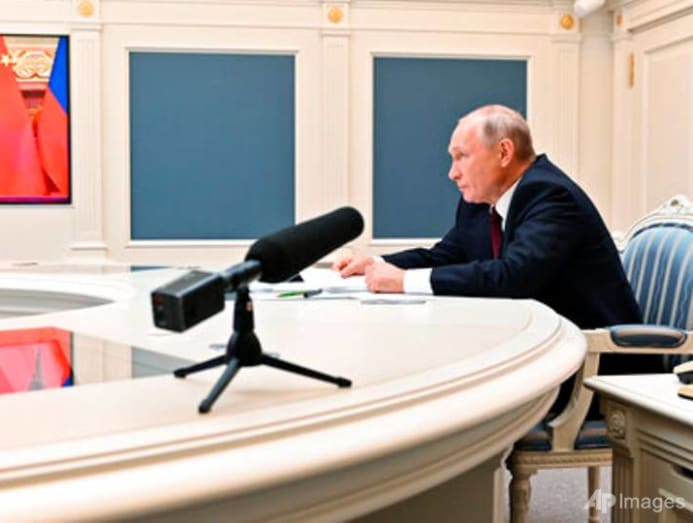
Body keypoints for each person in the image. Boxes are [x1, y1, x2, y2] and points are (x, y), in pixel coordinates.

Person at [334, 104, 655, 409]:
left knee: (433, 387)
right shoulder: (481, 201)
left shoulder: (551, 195)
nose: (452, 173)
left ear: (503, 152)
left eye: (461, 157)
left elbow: (515, 277)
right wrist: (378, 264)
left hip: (590, 367)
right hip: (536, 349)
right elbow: (448, 254)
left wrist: (403, 282)